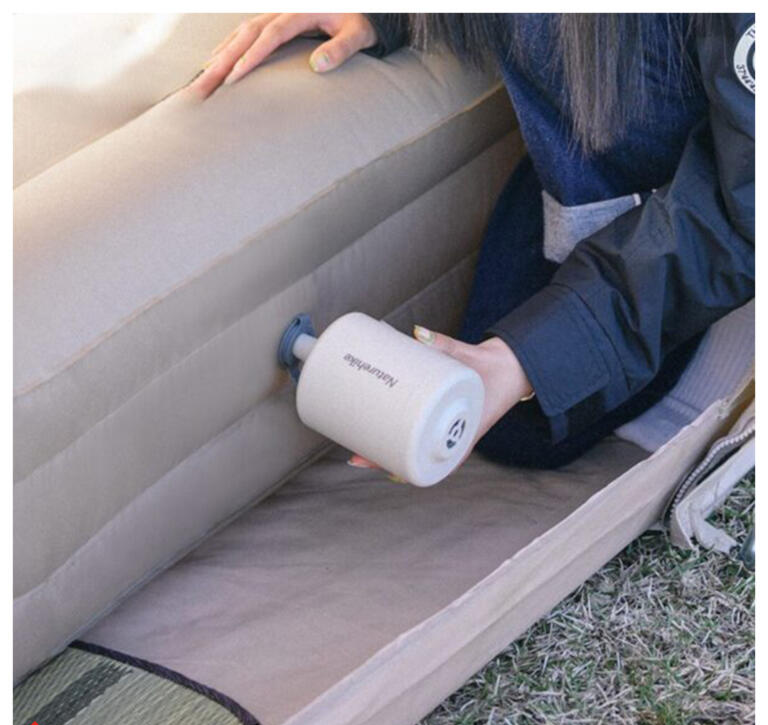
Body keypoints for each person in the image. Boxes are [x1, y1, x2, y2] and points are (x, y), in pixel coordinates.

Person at [190, 13, 755, 471]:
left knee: (523, 428)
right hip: (591, 161)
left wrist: (528, 359)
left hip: (689, 199)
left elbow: (745, 208)